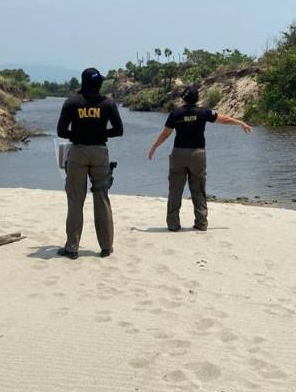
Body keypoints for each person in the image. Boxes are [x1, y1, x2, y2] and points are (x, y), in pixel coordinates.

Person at [147, 86, 252, 231]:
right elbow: (225, 119)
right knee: (198, 189)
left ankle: (173, 224)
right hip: (197, 154)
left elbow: (166, 134)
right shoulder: (204, 112)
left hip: (179, 154)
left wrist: (154, 147)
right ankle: (201, 223)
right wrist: (240, 123)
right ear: (197, 99)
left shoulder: (175, 114)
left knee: (175, 190)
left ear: (183, 98)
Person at [56, 68, 124, 259]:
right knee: (102, 198)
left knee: (76, 200)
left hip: (77, 152)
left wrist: (77, 134)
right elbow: (118, 130)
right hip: (100, 153)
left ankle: (72, 247)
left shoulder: (72, 102)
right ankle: (106, 247)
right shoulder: (108, 103)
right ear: (99, 84)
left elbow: (61, 131)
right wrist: (101, 133)